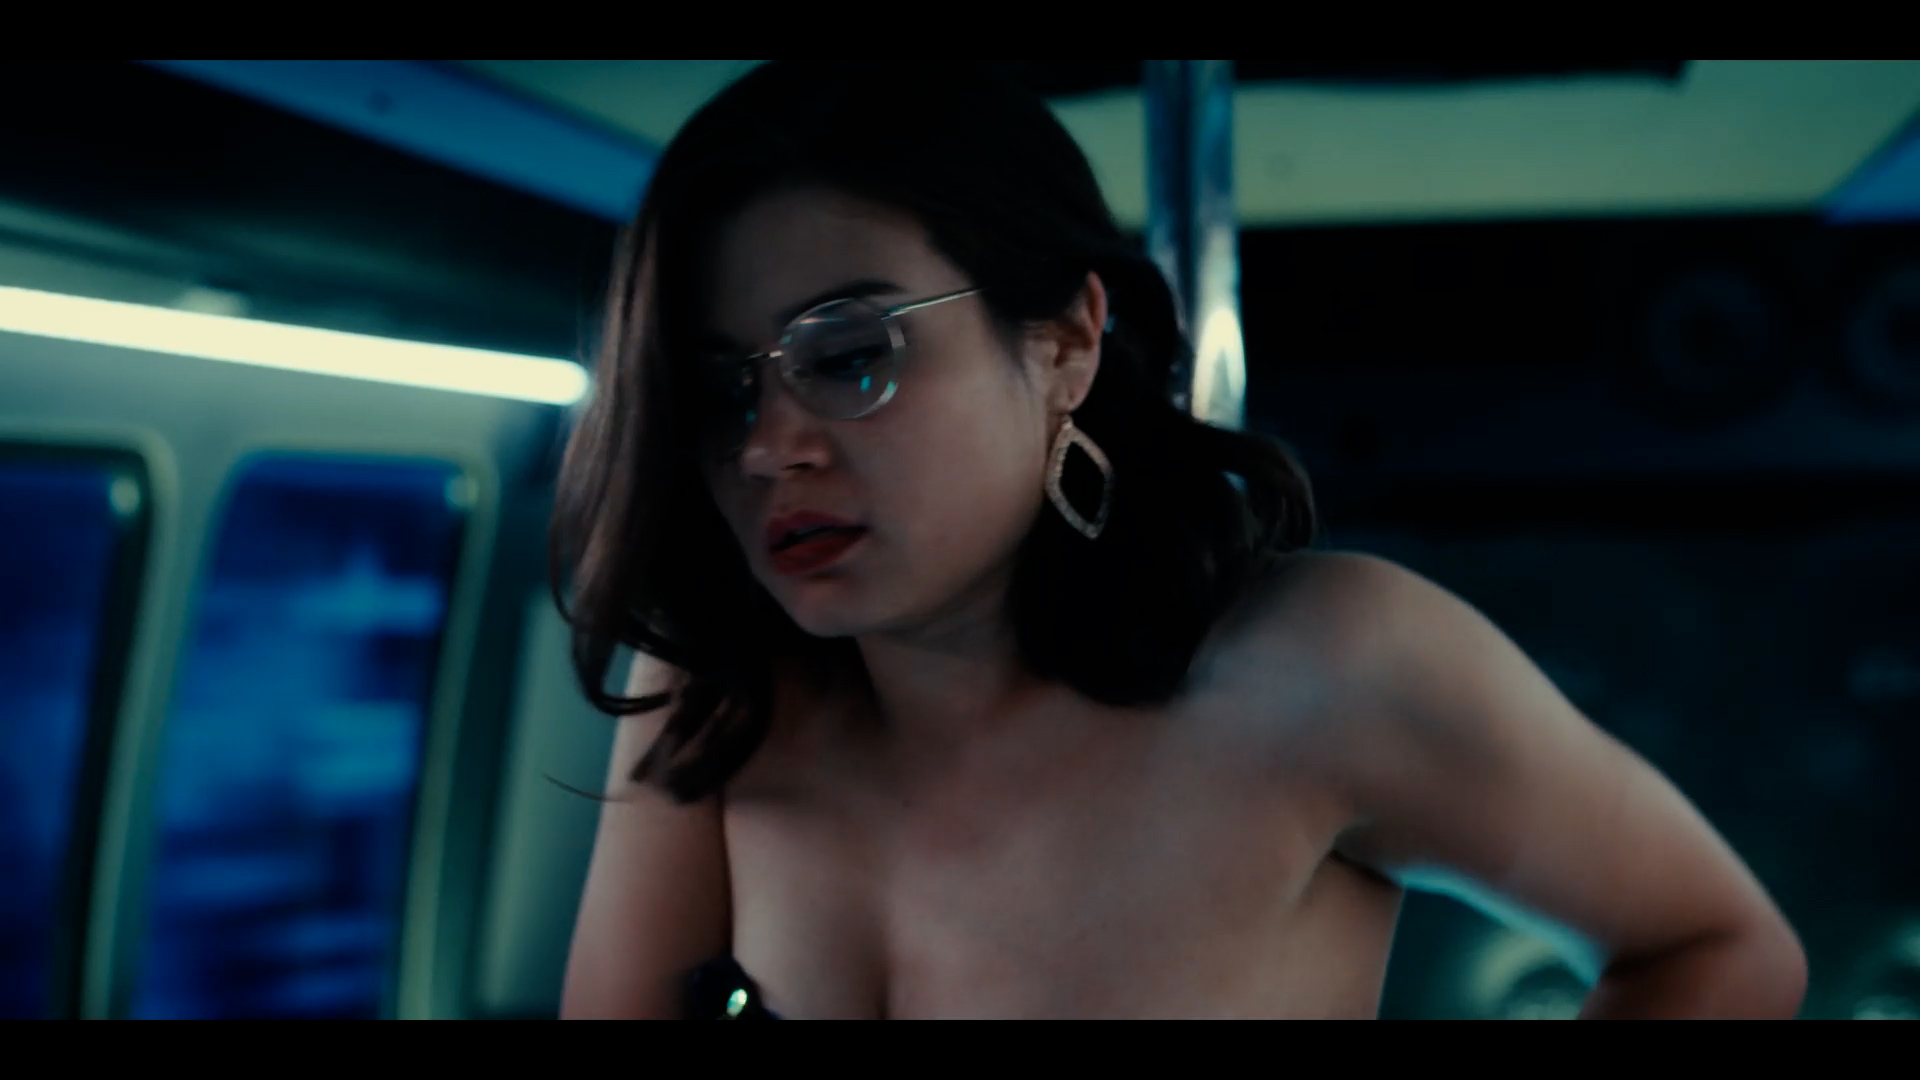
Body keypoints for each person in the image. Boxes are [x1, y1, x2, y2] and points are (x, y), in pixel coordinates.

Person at [548, 61, 1806, 1020]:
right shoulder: (716, 695)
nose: (769, 448)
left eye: (848, 356)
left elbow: (1718, 948)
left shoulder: (1328, 667)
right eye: (720, 391)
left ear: (1064, 343)